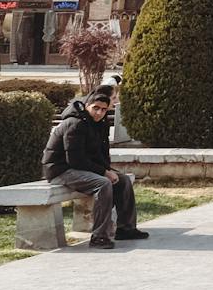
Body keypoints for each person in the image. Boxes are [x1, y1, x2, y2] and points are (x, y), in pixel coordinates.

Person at [43, 87, 145, 248]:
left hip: (80, 168)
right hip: (61, 170)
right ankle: (99, 237)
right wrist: (104, 173)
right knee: (103, 184)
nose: (99, 112)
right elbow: (75, 160)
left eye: (103, 110)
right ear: (87, 105)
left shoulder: (100, 123)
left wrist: (109, 170)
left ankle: (126, 228)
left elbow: (101, 153)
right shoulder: (75, 124)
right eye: (95, 108)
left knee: (123, 180)